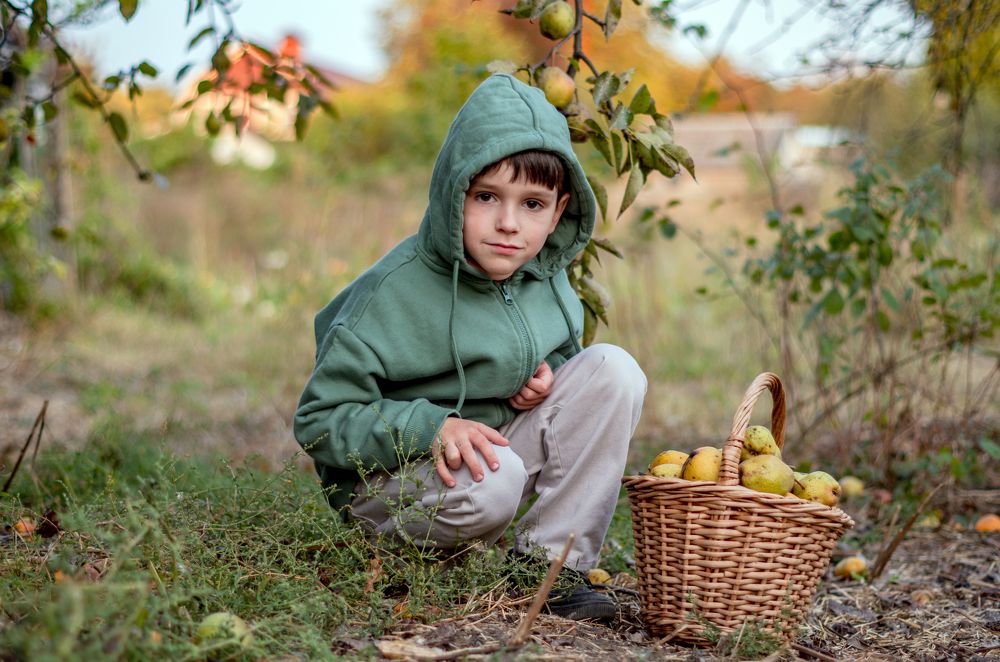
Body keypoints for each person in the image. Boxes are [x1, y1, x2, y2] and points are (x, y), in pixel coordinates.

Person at [293, 73, 646, 621]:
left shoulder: (544, 275)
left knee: (614, 369)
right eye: (487, 197)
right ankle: (395, 558)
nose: (509, 224)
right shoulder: (389, 294)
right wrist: (430, 426)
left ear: (558, 212)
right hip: (394, 484)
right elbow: (320, 421)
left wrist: (546, 375)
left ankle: (547, 569)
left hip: (485, 462)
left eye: (533, 204)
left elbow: (547, 353)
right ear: (453, 194)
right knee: (495, 480)